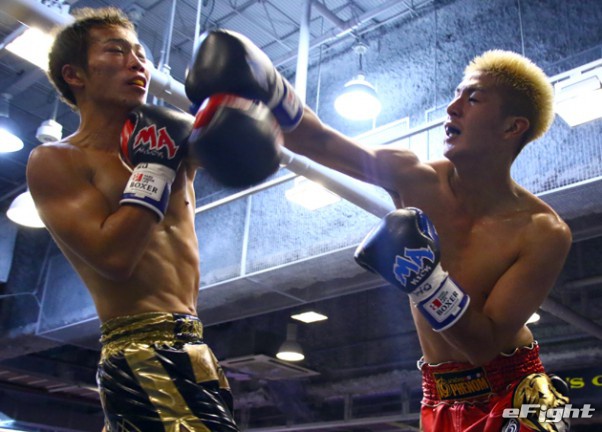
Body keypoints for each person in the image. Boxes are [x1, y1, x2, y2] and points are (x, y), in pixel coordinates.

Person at [186, 31, 573, 431]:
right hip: (438, 395)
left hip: (514, 393)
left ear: (512, 127)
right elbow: (319, 140)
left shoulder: (542, 232)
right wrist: (270, 85)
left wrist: (428, 282)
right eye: (456, 94)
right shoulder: (413, 176)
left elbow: (483, 346)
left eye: (473, 99)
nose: (452, 107)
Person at [26, 7, 247, 432]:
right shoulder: (57, 160)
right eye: (116, 51)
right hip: (141, 347)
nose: (137, 63)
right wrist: (156, 166)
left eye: (141, 54)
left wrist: (241, 102)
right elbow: (114, 258)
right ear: (75, 75)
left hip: (195, 346)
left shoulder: (175, 136)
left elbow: (250, 156)